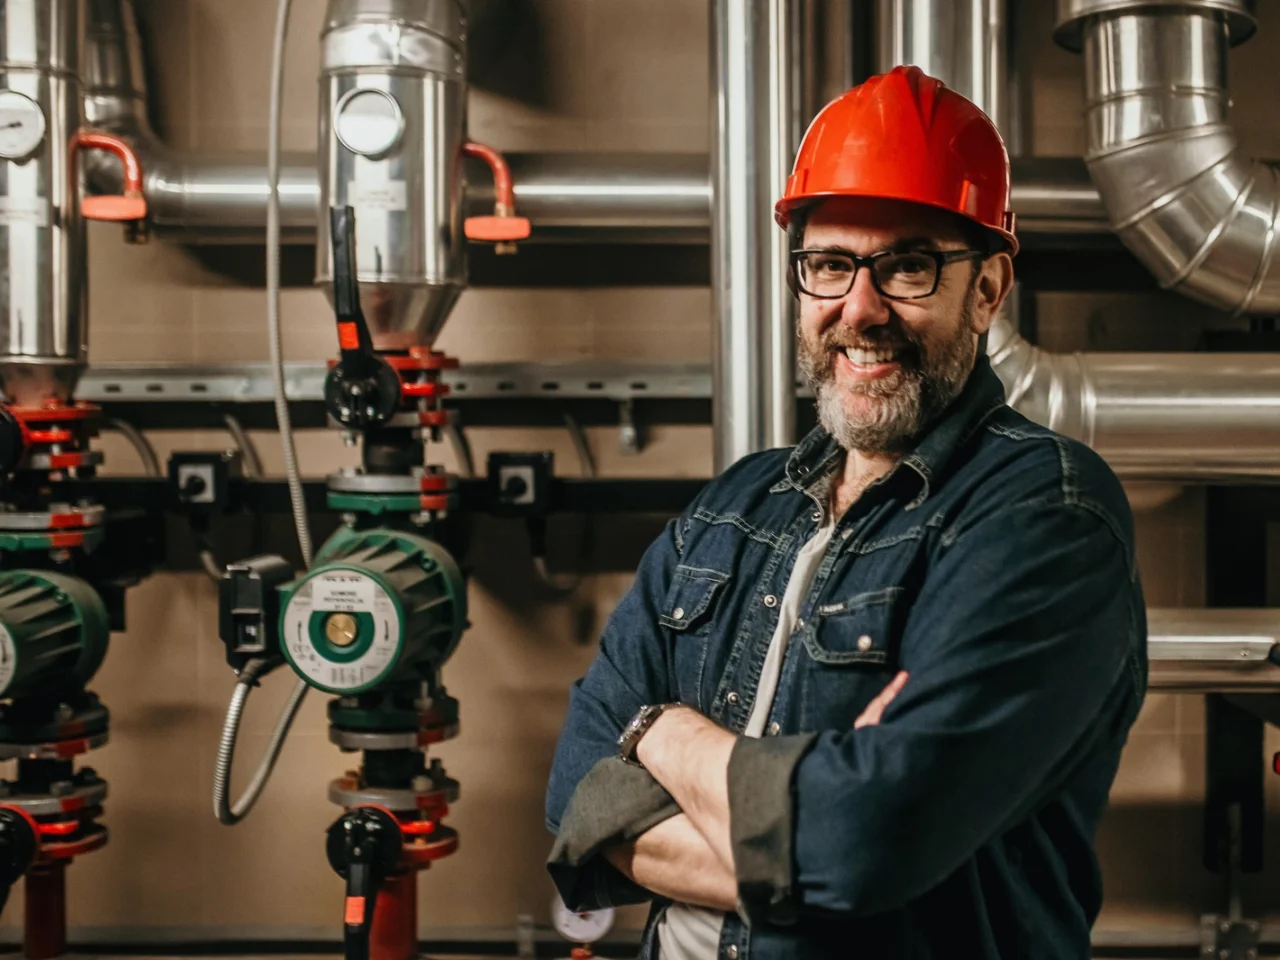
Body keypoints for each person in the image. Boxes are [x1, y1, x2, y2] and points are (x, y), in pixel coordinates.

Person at [544, 65, 1147, 959]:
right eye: (829, 265)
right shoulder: (733, 507)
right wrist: (800, 837)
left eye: (907, 266)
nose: (858, 309)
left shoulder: (1046, 516)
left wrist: (659, 734)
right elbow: (573, 803)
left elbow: (864, 844)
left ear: (987, 289)